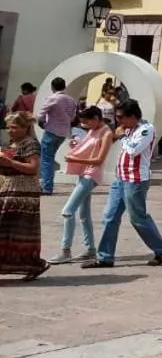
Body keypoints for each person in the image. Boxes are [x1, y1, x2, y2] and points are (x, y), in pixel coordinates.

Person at [82, 99, 162, 270]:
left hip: (136, 180)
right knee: (109, 216)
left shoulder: (146, 129)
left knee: (137, 218)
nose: (119, 121)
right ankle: (105, 257)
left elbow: (133, 150)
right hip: (121, 178)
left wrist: (122, 136)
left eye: (121, 117)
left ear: (133, 116)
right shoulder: (128, 129)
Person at [52, 105, 115, 264]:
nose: (85, 125)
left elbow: (99, 160)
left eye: (87, 122)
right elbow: (88, 148)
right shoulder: (93, 130)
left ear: (96, 118)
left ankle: (65, 251)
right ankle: (90, 249)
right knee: (84, 214)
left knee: (67, 211)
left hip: (91, 175)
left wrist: (75, 159)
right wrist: (77, 146)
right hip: (84, 173)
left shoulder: (106, 133)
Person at [0, 113, 50, 281]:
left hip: (23, 193)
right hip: (9, 189)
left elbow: (32, 168)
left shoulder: (30, 144)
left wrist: (10, 163)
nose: (10, 130)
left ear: (25, 127)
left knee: (20, 232)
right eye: (9, 127)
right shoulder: (13, 143)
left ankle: (33, 264)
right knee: (8, 231)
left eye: (14, 127)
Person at [36, 76, 79, 195]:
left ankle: (47, 187)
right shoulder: (71, 100)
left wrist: (41, 122)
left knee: (46, 160)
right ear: (64, 86)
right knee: (50, 159)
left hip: (51, 130)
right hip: (63, 132)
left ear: (52, 87)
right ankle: (47, 185)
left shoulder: (53, 98)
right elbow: (73, 117)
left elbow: (41, 114)